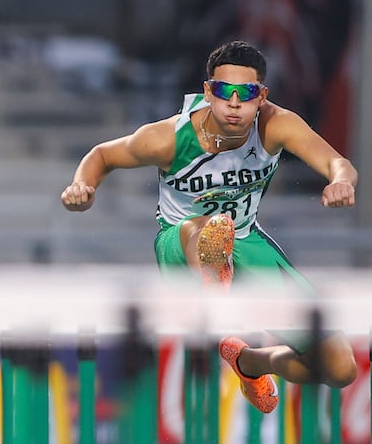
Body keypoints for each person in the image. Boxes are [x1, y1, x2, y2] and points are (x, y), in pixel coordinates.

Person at [61, 40, 358, 413]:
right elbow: (102, 155)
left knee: (339, 367)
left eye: (246, 93)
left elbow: (338, 162)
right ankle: (214, 288)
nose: (233, 103)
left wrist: (340, 181)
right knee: (204, 227)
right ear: (207, 91)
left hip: (247, 241)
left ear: (261, 96)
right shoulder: (167, 137)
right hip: (180, 241)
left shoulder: (277, 125)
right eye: (223, 91)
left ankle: (249, 362)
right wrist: (82, 187)